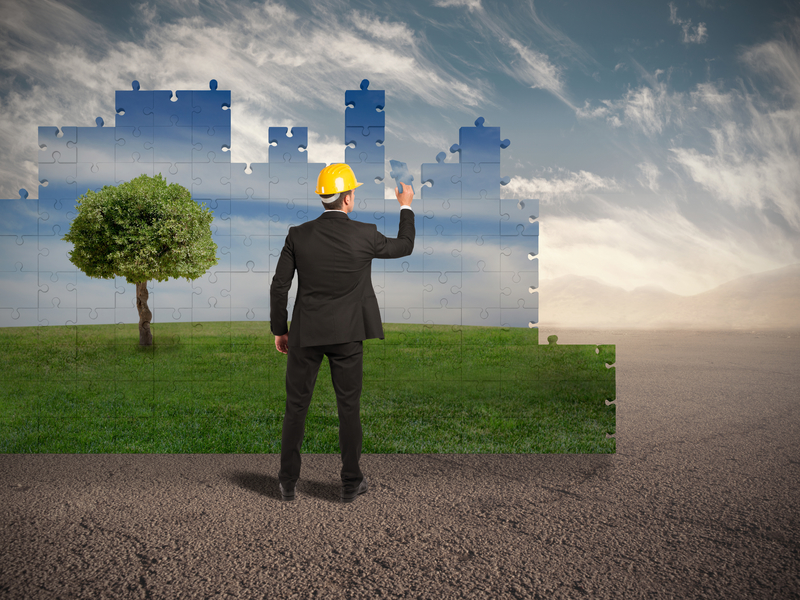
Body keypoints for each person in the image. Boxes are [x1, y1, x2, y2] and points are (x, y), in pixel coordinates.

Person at [270, 163, 415, 503]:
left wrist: (281, 329)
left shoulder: (297, 234)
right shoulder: (366, 234)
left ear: (324, 198)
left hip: (305, 334)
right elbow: (404, 246)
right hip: (349, 335)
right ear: (348, 198)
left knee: (296, 408)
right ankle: (351, 483)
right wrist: (405, 205)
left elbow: (280, 287)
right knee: (348, 408)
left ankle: (287, 483)